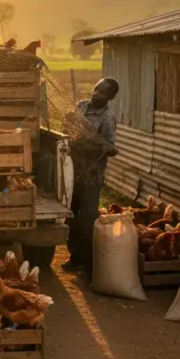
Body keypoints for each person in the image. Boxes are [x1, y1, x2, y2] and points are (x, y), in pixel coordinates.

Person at [64, 78, 119, 272]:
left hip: (91, 176)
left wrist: (100, 145)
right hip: (72, 172)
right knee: (71, 216)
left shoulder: (107, 118)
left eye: (102, 92)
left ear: (110, 97)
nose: (96, 93)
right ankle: (75, 256)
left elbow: (112, 147)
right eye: (96, 89)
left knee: (87, 219)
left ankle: (88, 263)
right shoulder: (81, 106)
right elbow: (68, 129)